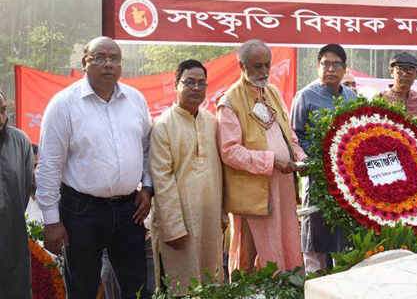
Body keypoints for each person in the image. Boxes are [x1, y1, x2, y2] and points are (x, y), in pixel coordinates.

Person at [36, 37, 153, 299]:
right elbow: (48, 166)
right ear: (84, 63)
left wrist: (147, 187)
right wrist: (51, 221)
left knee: (136, 286)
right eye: (99, 58)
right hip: (81, 211)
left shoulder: (135, 100)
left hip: (128, 209)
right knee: (83, 287)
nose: (108, 65)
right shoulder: (63, 104)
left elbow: (146, 150)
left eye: (115, 59)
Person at [217, 39, 305, 273]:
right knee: (249, 259)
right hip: (253, 192)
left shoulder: (272, 92)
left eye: (267, 64)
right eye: (257, 66)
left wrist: (300, 157)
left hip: (283, 186)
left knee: (285, 243)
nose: (264, 71)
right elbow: (230, 152)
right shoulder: (230, 101)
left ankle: (285, 289)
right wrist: (271, 161)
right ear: (242, 65)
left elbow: (289, 134)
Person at [149, 60, 226, 292]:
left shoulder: (213, 122)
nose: (196, 88)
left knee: (210, 282)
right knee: (181, 285)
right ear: (176, 85)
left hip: (210, 219)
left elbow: (220, 173)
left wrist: (222, 214)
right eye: (189, 82)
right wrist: (172, 228)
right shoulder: (163, 126)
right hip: (179, 224)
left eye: (202, 83)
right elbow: (162, 181)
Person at [291, 44, 357, 272]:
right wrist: (320, 158)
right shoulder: (305, 96)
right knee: (315, 237)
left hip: (347, 180)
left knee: (345, 238)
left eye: (336, 64)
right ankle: (314, 284)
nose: (331, 68)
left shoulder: (351, 97)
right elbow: (295, 134)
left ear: (344, 68)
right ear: (317, 66)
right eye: (325, 64)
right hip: (319, 177)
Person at [0, 88, 35, 299]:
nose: (1, 118)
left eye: (3, 110)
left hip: (12, 234)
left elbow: (23, 190)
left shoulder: (19, 141)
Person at [380, 52, 417, 129]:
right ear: (392, 72)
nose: (405, 74)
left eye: (410, 70)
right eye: (400, 69)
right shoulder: (381, 99)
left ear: (416, 74)